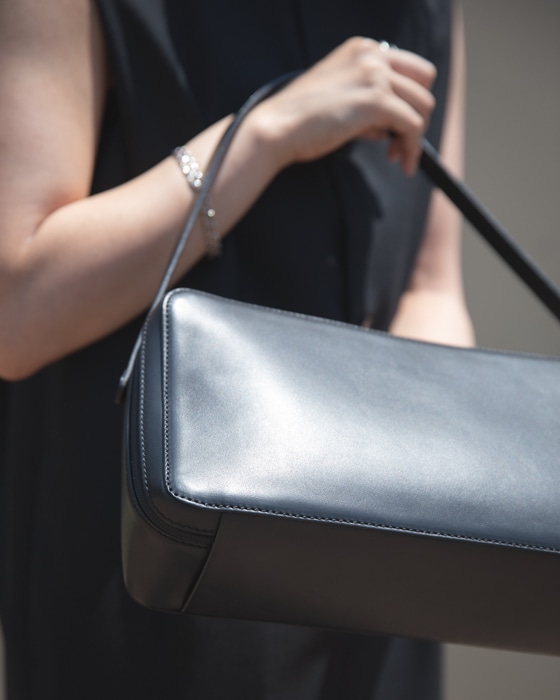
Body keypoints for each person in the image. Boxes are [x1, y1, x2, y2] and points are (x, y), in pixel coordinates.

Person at [0, 0, 474, 698]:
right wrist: (266, 135)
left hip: (377, 589)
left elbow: (430, 288)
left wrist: (437, 506)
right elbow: (19, 307)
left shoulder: (421, 11)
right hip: (160, 572)